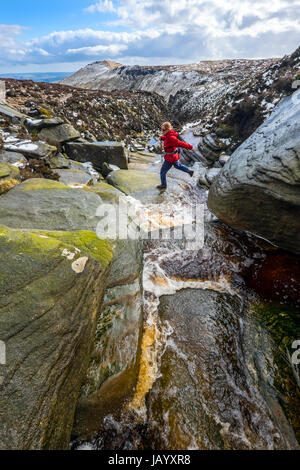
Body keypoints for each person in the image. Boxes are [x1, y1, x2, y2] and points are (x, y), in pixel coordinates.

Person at [157, 122, 194, 190]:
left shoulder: (171, 137)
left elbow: (180, 143)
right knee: (177, 165)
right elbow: (167, 137)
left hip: (170, 158)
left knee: (163, 171)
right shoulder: (169, 134)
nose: (162, 131)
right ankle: (189, 171)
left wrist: (190, 147)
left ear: (168, 129)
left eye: (163, 130)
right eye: (161, 129)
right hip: (174, 155)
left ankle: (163, 185)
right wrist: (162, 137)